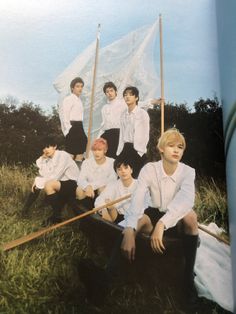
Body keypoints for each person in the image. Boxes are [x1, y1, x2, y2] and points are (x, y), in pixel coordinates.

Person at [121, 128, 199, 308]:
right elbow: (137, 200)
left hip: (175, 216)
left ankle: (188, 280)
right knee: (137, 222)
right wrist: (129, 230)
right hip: (154, 212)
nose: (176, 150)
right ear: (161, 148)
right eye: (171, 145)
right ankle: (109, 274)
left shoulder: (188, 171)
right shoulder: (149, 169)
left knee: (191, 217)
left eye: (180, 147)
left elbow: (185, 201)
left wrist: (162, 224)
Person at [22, 137, 80, 224]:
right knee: (40, 183)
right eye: (44, 148)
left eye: (48, 147)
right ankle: (24, 210)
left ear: (55, 146)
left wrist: (38, 181)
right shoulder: (48, 158)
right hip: (62, 183)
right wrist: (42, 159)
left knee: (48, 184)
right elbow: (44, 174)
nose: (46, 150)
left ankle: (57, 216)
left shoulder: (62, 155)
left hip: (73, 184)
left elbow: (55, 176)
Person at [116, 86, 150, 178]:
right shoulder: (123, 114)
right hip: (125, 148)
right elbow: (122, 134)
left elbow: (145, 134)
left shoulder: (142, 114)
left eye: (131, 95)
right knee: (121, 177)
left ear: (136, 98)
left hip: (137, 150)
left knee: (135, 179)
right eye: (125, 95)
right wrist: (119, 152)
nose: (127, 97)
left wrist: (140, 152)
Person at [76, 138, 117, 208]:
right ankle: (83, 211)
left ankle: (101, 211)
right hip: (90, 190)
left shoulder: (112, 162)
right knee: (79, 190)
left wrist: (92, 186)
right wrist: (87, 186)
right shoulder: (87, 162)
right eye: (94, 150)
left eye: (99, 150)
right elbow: (80, 179)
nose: (96, 153)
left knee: (103, 189)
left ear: (105, 150)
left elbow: (112, 180)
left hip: (101, 188)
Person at [94, 158, 138, 224]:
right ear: (116, 172)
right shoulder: (113, 185)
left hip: (134, 219)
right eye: (119, 169)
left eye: (126, 168)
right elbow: (100, 199)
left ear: (131, 170)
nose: (123, 171)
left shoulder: (139, 185)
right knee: (105, 208)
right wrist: (103, 209)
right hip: (118, 217)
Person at [59, 77, 87, 167]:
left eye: (81, 86)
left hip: (80, 128)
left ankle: (77, 178)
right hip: (72, 128)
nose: (80, 88)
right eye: (77, 86)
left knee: (80, 154)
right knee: (70, 155)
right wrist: (68, 131)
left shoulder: (79, 101)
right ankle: (65, 178)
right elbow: (64, 117)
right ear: (72, 88)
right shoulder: (68, 99)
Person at [98, 82, 127, 159]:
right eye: (107, 92)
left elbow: (136, 105)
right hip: (107, 135)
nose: (109, 93)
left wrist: (152, 102)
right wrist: (98, 139)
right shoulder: (104, 108)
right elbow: (103, 124)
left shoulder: (122, 103)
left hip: (118, 134)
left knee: (117, 158)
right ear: (105, 94)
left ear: (116, 92)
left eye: (111, 91)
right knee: (107, 159)